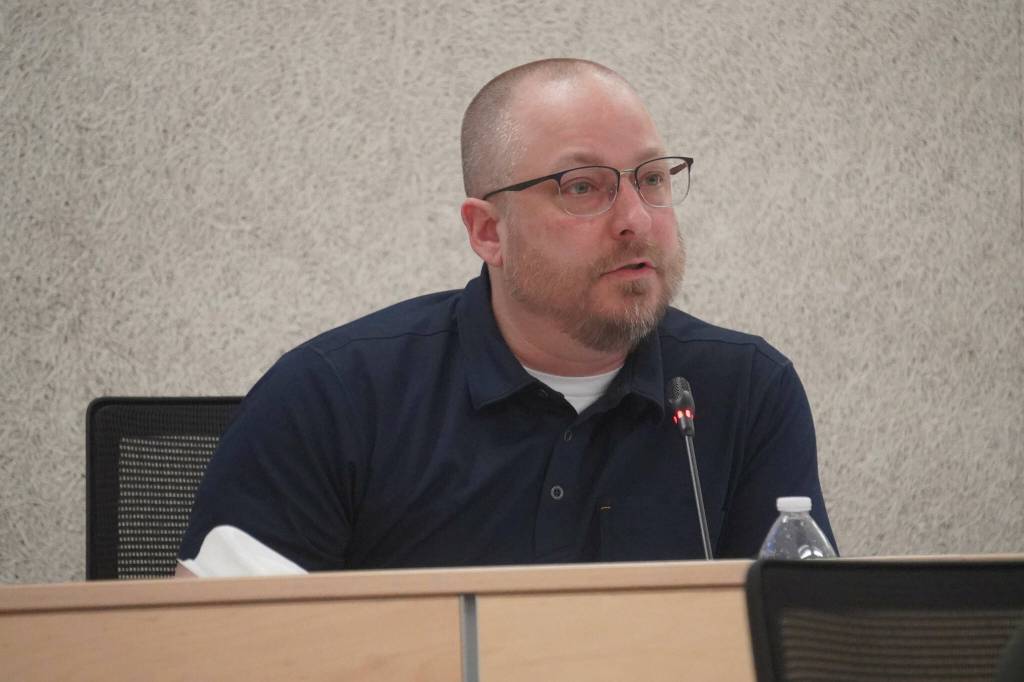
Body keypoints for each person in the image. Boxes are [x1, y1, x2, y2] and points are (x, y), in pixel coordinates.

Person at [177, 58, 836, 577]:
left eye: (653, 179)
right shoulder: (331, 395)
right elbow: (211, 651)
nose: (637, 219)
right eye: (584, 187)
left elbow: (800, 643)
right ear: (488, 231)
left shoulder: (746, 391)